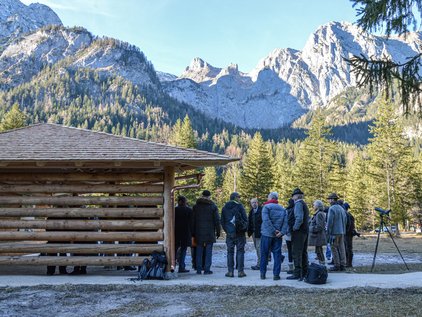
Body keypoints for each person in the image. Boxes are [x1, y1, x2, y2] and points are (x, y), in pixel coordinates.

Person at [260, 192, 288, 281]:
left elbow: (266, 220)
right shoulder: (282, 209)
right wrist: (282, 232)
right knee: (277, 255)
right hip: (278, 236)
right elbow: (285, 222)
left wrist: (273, 230)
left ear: (271, 198)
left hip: (266, 234)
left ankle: (263, 274)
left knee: (264, 254)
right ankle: (276, 275)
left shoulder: (266, 207)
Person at [192, 190, 220, 275]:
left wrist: (192, 233)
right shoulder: (213, 206)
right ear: (209, 197)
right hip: (209, 232)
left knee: (199, 251)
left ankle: (199, 269)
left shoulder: (196, 207)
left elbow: (192, 221)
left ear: (202, 195)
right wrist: (218, 232)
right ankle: (207, 269)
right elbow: (217, 221)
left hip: (198, 232)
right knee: (208, 252)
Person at [221, 192, 248, 278]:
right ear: (236, 198)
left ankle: (230, 272)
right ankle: (240, 272)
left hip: (230, 233)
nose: (239, 198)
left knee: (230, 252)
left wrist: (227, 230)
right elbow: (245, 218)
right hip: (240, 233)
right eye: (239, 197)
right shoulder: (240, 206)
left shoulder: (224, 208)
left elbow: (222, 222)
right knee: (240, 251)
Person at [287, 188, 309, 281]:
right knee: (303, 252)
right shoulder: (304, 204)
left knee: (296, 252)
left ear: (296, 196)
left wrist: (295, 228)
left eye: (293, 196)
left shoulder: (298, 204)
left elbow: (299, 218)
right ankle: (304, 272)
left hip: (299, 232)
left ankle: (297, 273)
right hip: (304, 231)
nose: (293, 198)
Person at [326, 193, 347, 271]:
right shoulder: (342, 208)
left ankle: (337, 265)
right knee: (342, 248)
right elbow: (345, 220)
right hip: (341, 231)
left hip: (334, 232)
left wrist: (328, 232)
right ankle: (343, 264)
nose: (329, 201)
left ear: (332, 200)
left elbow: (330, 222)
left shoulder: (331, 209)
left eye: (329, 199)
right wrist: (343, 230)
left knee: (333, 248)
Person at [175, 196, 192, 273]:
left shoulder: (174, 210)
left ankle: (172, 265)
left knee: (174, 250)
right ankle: (181, 266)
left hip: (176, 233)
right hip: (185, 232)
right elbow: (192, 222)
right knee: (183, 250)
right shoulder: (189, 210)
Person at [308, 200, 327, 265]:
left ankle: (322, 266)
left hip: (319, 237)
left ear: (318, 206)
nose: (313, 206)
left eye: (314, 205)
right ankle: (321, 265)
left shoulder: (319, 214)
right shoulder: (318, 213)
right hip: (318, 237)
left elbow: (320, 227)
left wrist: (311, 228)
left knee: (319, 251)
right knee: (318, 251)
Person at [247, 198, 263, 270]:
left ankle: (260, 265)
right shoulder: (251, 212)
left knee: (259, 248)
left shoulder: (262, 210)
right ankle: (261, 263)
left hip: (260, 232)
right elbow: (249, 222)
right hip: (254, 232)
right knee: (257, 248)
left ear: (257, 203)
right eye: (252, 203)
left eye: (255, 202)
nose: (254, 204)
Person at [343, 202, 360, 268]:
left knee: (348, 249)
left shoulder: (347, 215)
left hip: (348, 234)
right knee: (347, 248)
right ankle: (348, 262)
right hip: (348, 234)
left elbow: (351, 226)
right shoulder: (349, 215)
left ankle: (349, 263)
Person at [284, 198, 295, 273]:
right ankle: (297, 266)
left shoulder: (286, 211)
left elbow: (285, 222)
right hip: (295, 233)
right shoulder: (296, 209)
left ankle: (291, 268)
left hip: (288, 234)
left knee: (290, 251)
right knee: (296, 250)